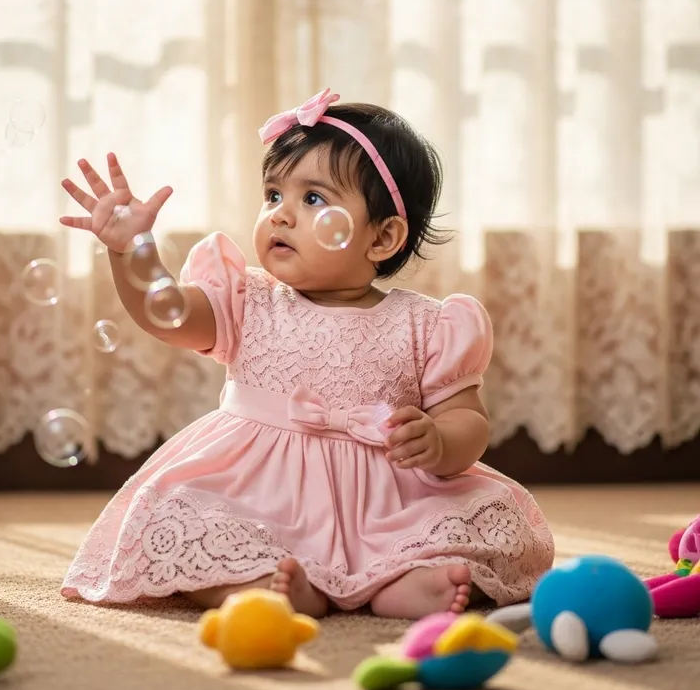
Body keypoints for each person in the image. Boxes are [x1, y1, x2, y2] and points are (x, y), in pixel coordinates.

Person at [59, 89, 554, 619]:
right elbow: (168, 313)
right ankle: (265, 582)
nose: (280, 215)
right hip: (259, 497)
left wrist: (439, 442)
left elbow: (467, 420)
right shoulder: (247, 298)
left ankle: (408, 582)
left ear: (383, 237)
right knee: (178, 519)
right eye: (273, 195)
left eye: (313, 199)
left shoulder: (426, 325)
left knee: (490, 525)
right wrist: (131, 250)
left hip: (384, 506)